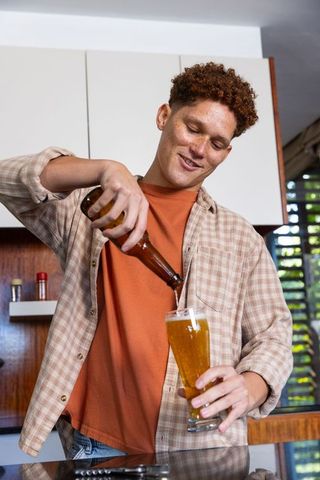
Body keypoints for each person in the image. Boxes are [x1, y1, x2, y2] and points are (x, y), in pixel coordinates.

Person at [0, 62, 293, 459]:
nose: (200, 150)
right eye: (193, 128)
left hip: (201, 448)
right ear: (163, 116)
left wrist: (253, 382)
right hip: (96, 447)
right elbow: (9, 180)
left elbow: (274, 336)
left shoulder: (241, 239)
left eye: (218, 143)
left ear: (227, 152)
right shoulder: (98, 209)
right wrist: (106, 168)